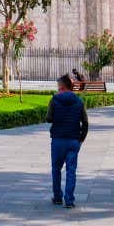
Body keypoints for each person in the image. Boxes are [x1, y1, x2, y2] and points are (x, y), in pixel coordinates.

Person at [44, 74, 89, 209]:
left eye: (58, 88)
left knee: (56, 169)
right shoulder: (79, 101)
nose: (58, 90)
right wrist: (81, 139)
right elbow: (85, 123)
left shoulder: (54, 100)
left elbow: (48, 119)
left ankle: (57, 197)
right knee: (71, 170)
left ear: (62, 88)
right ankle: (69, 200)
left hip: (58, 139)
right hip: (73, 140)